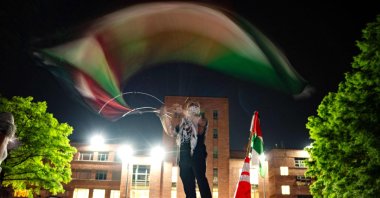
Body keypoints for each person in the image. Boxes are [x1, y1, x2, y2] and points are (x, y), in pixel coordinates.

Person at [159, 100, 212, 198]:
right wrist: (163, 116)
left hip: (197, 155)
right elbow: (171, 132)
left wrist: (182, 111)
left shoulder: (201, 119)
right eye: (190, 106)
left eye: (195, 106)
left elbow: (200, 122)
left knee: (201, 181)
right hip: (183, 157)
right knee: (188, 188)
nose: (192, 107)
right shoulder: (182, 125)